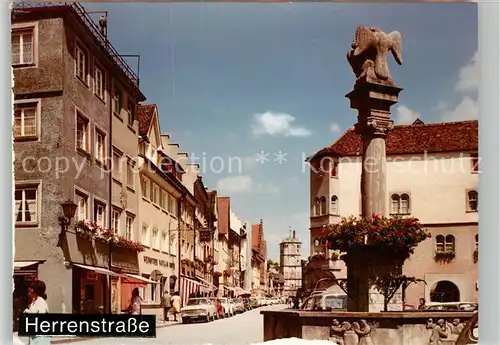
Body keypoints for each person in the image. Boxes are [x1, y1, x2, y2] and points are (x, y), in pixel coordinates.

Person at [24, 280, 50, 345]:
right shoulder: (36, 302)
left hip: (40, 338)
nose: (30, 291)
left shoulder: (40, 302)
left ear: (33, 290)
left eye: (31, 289)